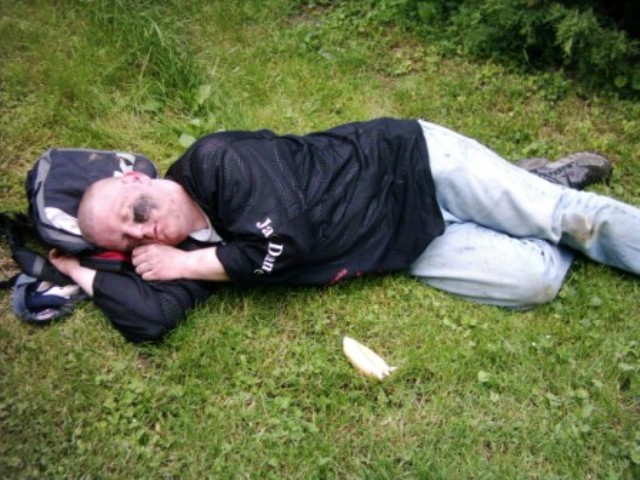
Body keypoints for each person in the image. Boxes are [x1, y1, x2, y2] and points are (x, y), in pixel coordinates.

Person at [49, 118, 639, 342]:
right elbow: (151, 319)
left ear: (136, 178)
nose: (146, 235)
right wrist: (78, 270)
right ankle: (528, 184)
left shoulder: (215, 161)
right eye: (130, 241)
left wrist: (186, 266)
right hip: (404, 243)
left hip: (414, 165)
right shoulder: (190, 249)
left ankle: (540, 196)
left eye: (135, 215)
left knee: (572, 220)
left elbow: (285, 242)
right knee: (535, 282)